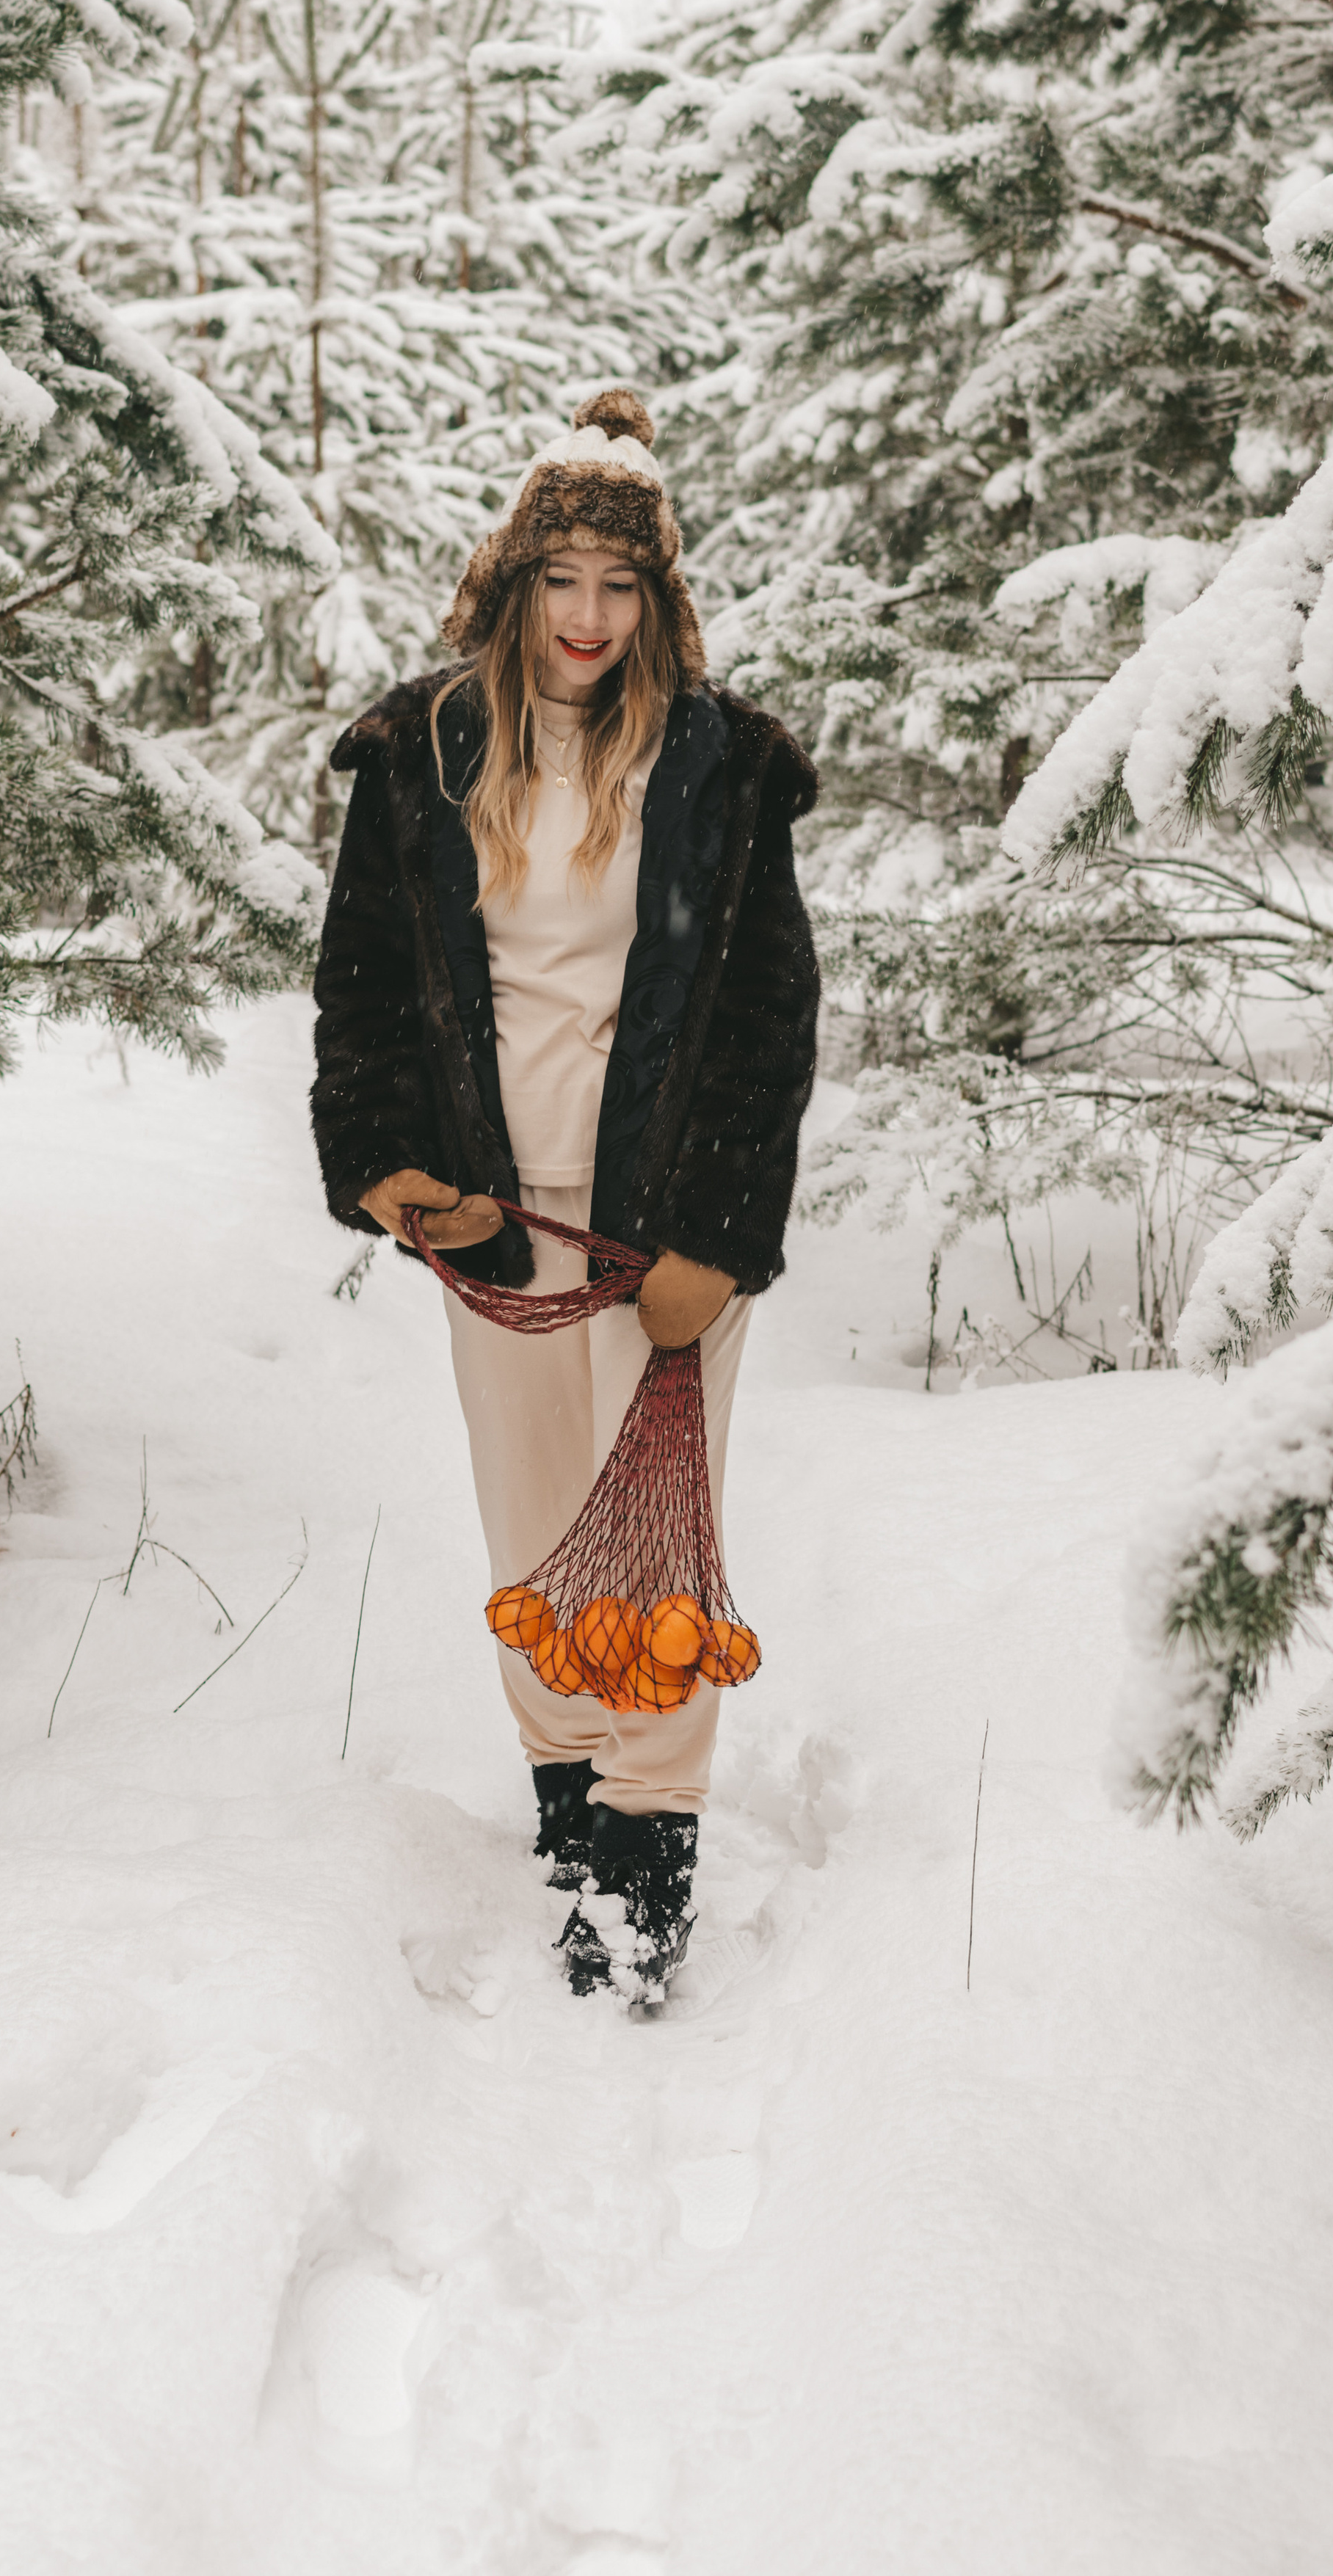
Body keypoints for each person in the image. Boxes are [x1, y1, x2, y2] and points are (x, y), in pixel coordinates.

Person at [310, 389, 820, 1996]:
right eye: (562, 584)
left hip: (655, 1224)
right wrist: (392, 1167)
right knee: (534, 1534)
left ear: (656, 603)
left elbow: (764, 1017)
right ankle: (564, 1821)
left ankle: (646, 1860)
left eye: (620, 587)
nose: (588, 620)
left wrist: (717, 1242)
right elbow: (364, 988)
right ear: (511, 586)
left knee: (649, 1539)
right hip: (496, 1218)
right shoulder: (425, 750)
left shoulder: (722, 768)